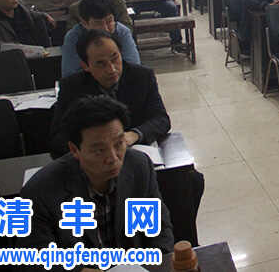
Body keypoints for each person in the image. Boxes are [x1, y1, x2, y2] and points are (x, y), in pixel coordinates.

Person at [19, 95, 174, 257]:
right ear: (74, 150)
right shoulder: (40, 192)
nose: (113, 158)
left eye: (119, 144)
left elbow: (159, 232)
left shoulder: (138, 166)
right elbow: (37, 258)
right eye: (99, 150)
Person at [50, 29, 171, 157]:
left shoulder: (142, 76)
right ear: (85, 66)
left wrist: (134, 134)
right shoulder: (72, 87)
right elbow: (57, 138)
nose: (111, 69)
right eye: (101, 64)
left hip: (137, 153)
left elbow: (161, 119)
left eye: (115, 58)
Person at [62, 0, 140, 78]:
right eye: (98, 23)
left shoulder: (122, 32)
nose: (105, 28)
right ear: (84, 23)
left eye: (109, 21)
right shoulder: (73, 37)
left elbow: (133, 66)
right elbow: (70, 74)